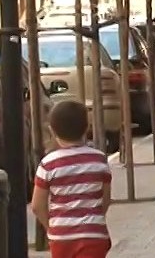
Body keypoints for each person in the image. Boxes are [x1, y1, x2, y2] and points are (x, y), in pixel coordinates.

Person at [31, 101, 112, 258]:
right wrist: (94, 220)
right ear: (87, 127)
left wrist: (51, 227)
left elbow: (37, 205)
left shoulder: (48, 164)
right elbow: (105, 199)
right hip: (93, 234)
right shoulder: (99, 160)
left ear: (52, 130)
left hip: (61, 237)